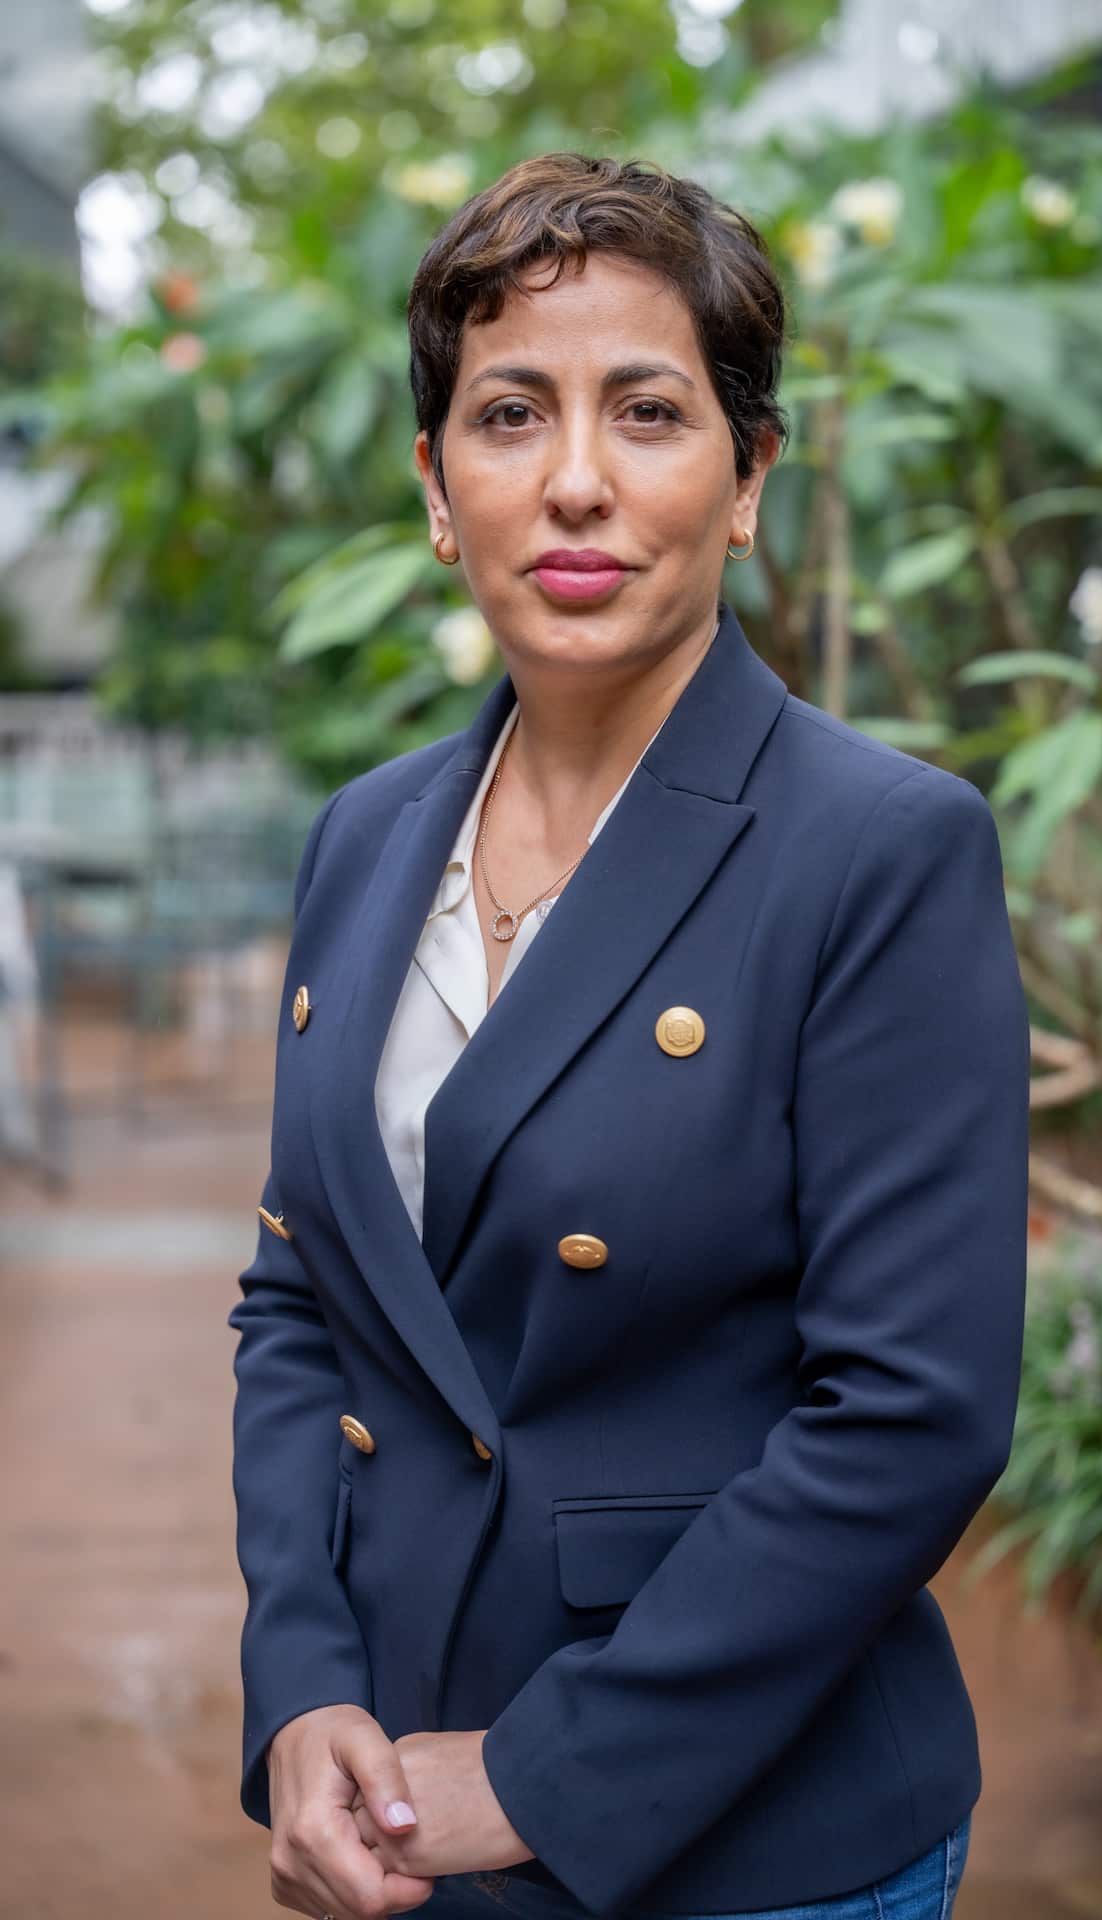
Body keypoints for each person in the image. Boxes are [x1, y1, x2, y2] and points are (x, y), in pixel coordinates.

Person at [227, 150, 1030, 1920]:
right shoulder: (366, 838)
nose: (574, 482)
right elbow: (301, 1298)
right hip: (401, 1795)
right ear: (440, 491)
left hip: (750, 1831)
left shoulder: (877, 849)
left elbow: (914, 1410)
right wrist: (303, 1688)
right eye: (509, 415)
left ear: (749, 477)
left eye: (648, 412)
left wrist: (538, 1772)